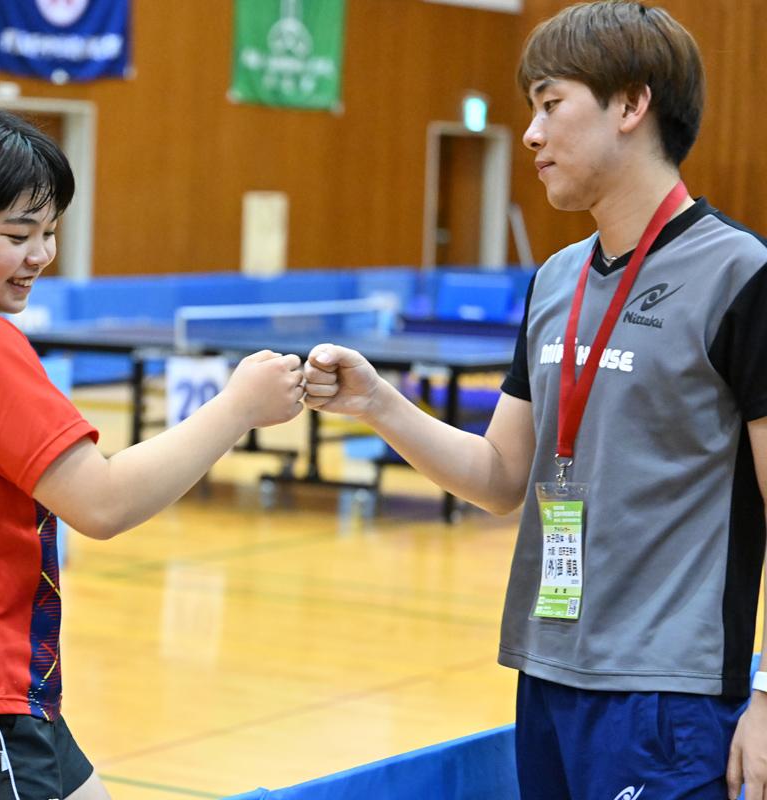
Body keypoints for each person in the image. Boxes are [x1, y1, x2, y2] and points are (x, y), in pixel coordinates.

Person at [302, 3, 767, 798]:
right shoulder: (555, 281)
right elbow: (498, 476)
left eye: (552, 104)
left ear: (632, 104)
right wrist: (377, 402)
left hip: (672, 695)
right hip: (546, 676)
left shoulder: (741, 276)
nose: (530, 134)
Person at [0, 106, 305, 800]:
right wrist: (239, 407)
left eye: (49, 232)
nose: (41, 255)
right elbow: (103, 504)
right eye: (18, 235)